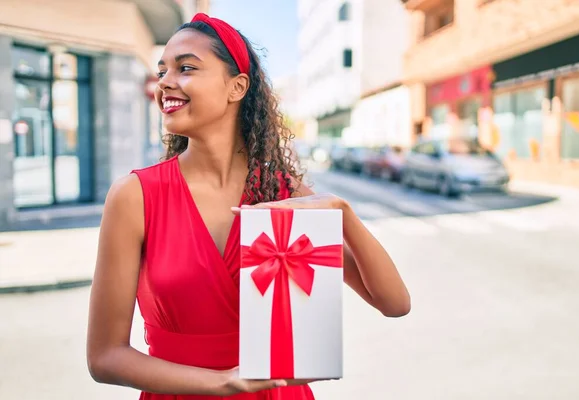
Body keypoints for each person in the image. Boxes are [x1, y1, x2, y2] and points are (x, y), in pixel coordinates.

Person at [86, 13, 411, 400]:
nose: (165, 82)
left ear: (236, 87)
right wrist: (222, 382)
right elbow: (105, 357)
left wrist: (343, 214)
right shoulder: (134, 196)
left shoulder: (282, 191)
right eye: (162, 71)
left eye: (185, 68)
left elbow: (395, 304)